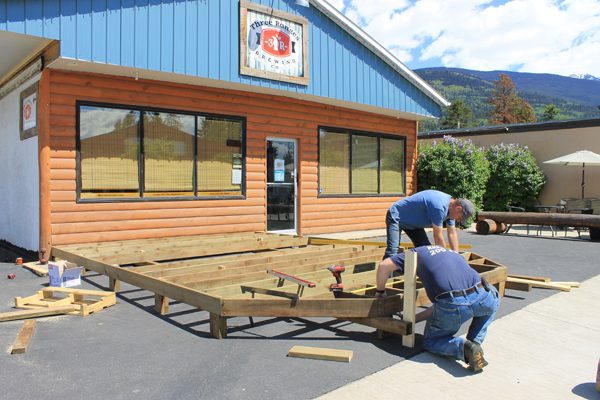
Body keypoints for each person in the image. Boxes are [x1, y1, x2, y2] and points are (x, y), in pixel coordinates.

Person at [375, 245, 501, 373]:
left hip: (453, 302)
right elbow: (441, 307)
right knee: (493, 298)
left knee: (431, 341)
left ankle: (464, 348)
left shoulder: (416, 253)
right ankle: (475, 343)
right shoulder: (451, 253)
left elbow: (384, 266)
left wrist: (380, 291)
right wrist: (413, 319)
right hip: (484, 295)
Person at [384, 190, 474, 259]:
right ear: (458, 208)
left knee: (426, 251)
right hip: (397, 216)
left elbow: (452, 233)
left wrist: (456, 257)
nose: (458, 220)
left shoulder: (451, 211)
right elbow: (437, 236)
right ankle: (386, 280)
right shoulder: (439, 206)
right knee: (392, 251)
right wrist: (446, 258)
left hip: (414, 223)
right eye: (460, 217)